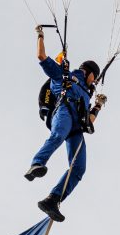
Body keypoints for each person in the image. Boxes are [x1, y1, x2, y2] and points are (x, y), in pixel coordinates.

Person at [24, 25, 107, 222]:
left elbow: (89, 122)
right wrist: (40, 35)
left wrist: (98, 106)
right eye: (94, 77)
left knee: (79, 168)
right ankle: (37, 164)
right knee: (57, 135)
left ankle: (53, 199)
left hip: (77, 128)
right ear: (88, 72)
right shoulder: (65, 74)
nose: (95, 82)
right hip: (63, 111)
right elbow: (41, 56)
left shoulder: (87, 95)